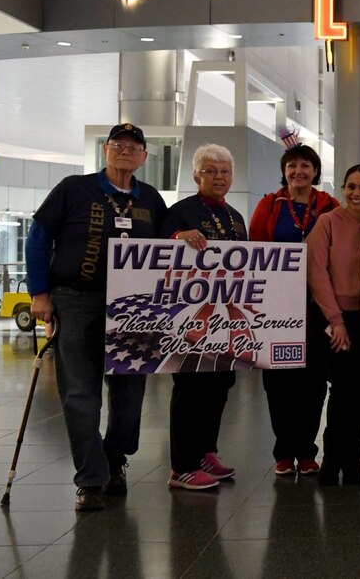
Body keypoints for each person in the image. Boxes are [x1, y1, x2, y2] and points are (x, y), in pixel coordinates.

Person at [27, 123, 167, 511]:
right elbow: (38, 239)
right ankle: (90, 479)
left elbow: (167, 247)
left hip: (134, 307)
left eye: (134, 146)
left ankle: (115, 459)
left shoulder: (151, 199)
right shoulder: (74, 188)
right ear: (106, 150)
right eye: (118, 145)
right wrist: (39, 292)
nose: (126, 151)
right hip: (76, 299)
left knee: (130, 388)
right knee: (80, 392)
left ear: (143, 156)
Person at [249, 144, 340, 477]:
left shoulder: (329, 205)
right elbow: (255, 250)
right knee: (278, 379)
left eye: (305, 166)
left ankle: (307, 449)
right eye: (292, 166)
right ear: (284, 171)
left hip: (317, 304)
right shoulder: (268, 205)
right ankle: (284, 451)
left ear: (315, 171)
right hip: (276, 305)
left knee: (314, 380)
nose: (298, 171)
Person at [163, 144, 248, 491]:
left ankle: (204, 452)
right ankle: (181, 466)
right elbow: (152, 250)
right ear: (196, 175)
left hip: (224, 317)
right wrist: (176, 237)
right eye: (211, 170)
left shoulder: (236, 217)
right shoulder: (181, 212)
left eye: (225, 171)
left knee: (219, 385)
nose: (219, 177)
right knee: (190, 385)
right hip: (191, 317)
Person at [306, 164, 360, 485]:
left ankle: (352, 458)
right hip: (332, 318)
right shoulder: (327, 222)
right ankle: (332, 458)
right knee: (340, 390)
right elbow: (316, 271)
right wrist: (335, 320)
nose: (356, 193)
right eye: (351, 186)